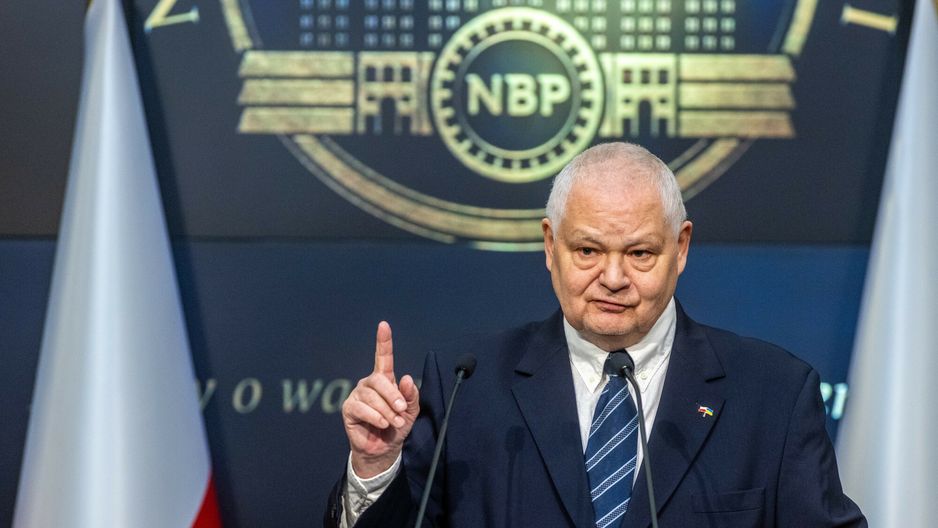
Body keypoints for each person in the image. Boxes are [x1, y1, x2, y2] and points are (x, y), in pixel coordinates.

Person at [324, 142, 866, 527]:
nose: (612, 277)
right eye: (587, 250)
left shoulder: (773, 395)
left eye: (640, 253)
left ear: (680, 248)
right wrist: (375, 467)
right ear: (549, 245)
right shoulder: (466, 387)